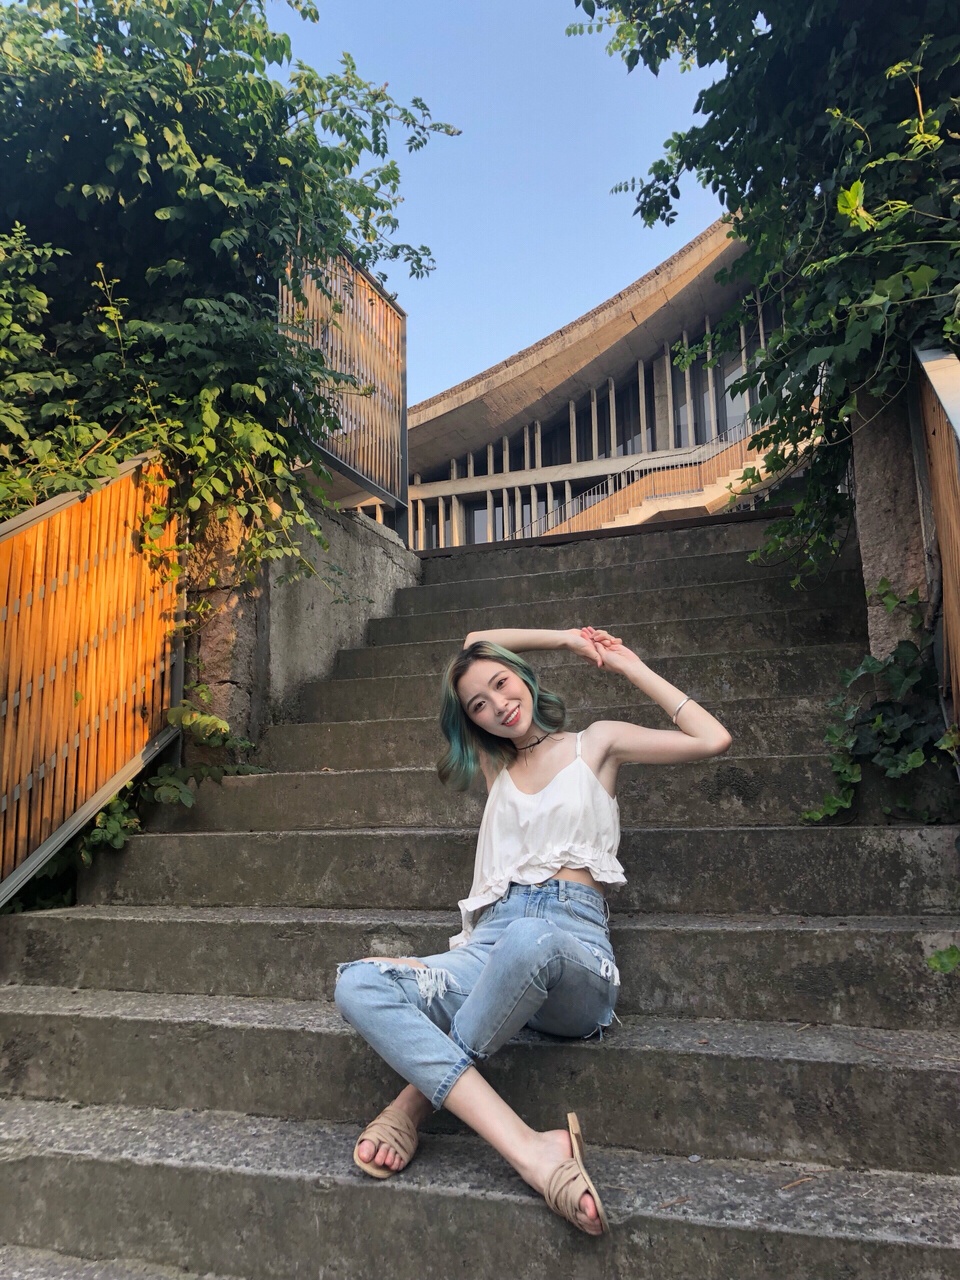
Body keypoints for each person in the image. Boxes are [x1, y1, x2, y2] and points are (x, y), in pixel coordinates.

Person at [334, 625, 732, 1235]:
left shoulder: (596, 744)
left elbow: (712, 738)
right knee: (357, 983)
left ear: (521, 674)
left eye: (502, 683)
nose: (498, 704)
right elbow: (472, 639)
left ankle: (411, 1104)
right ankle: (530, 1147)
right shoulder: (495, 766)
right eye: (479, 704)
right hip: (492, 945)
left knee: (528, 940)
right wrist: (560, 641)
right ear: (473, 721)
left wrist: (615, 659)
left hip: (571, 948)